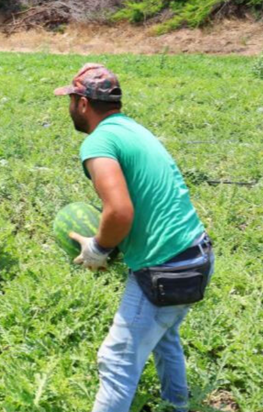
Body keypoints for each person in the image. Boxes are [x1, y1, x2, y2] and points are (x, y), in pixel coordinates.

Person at [54, 64, 215, 412]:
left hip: (165, 271)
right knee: (164, 335)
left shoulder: (98, 142)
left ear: (83, 103)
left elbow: (119, 211)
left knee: (116, 362)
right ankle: (177, 405)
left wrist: (98, 248)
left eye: (70, 99)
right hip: (197, 254)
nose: (68, 107)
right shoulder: (132, 129)